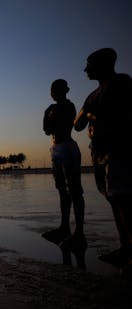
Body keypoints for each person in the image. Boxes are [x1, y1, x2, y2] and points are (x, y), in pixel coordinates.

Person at [74, 48, 132, 268]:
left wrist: (99, 117)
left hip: (121, 150)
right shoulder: (93, 95)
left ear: (104, 64)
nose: (85, 69)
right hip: (100, 155)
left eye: (89, 64)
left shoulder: (122, 82)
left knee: (124, 200)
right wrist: (90, 114)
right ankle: (125, 247)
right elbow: (78, 124)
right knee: (114, 200)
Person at [41, 79, 86, 251]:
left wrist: (51, 118)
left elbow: (64, 125)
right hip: (56, 149)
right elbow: (46, 130)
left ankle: (79, 232)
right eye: (52, 90)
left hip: (67, 147)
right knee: (61, 189)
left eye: (57, 89)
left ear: (65, 90)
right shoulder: (50, 109)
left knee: (74, 190)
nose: (53, 93)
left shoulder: (69, 105)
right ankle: (64, 227)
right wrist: (48, 115)